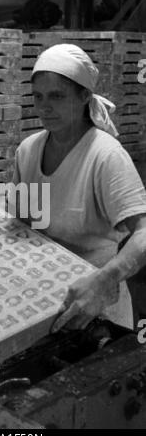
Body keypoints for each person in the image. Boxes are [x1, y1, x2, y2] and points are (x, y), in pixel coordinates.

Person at [9, 43, 146, 332]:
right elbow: (22, 224)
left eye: (57, 96)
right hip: (39, 298)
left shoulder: (105, 155)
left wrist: (105, 279)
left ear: (84, 96)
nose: (44, 107)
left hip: (95, 307)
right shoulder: (28, 151)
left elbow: (144, 233)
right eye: (38, 96)